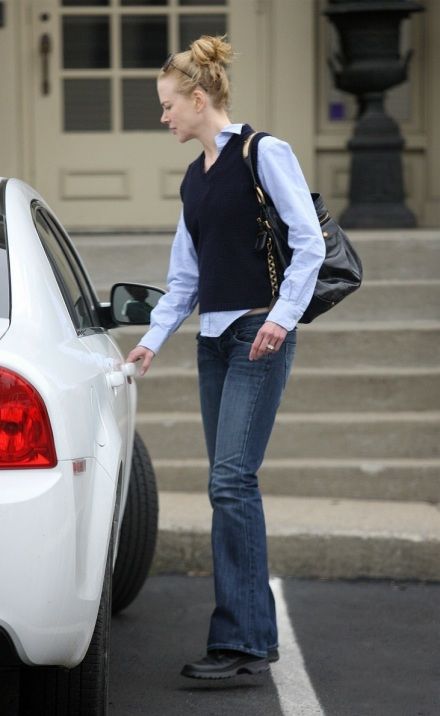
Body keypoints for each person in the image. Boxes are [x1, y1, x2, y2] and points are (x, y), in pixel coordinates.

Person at [127, 35, 325, 680]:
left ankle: (238, 644)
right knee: (229, 486)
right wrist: (152, 341)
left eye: (167, 106)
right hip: (214, 341)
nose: (163, 119)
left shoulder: (263, 152)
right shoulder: (194, 178)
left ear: (199, 97)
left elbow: (309, 242)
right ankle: (251, 638)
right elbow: (184, 278)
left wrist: (279, 317)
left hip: (257, 335)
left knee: (230, 481)